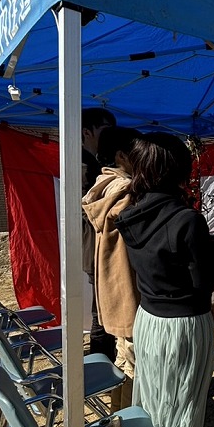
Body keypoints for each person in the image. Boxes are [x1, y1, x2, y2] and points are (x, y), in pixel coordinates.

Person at [115, 133, 214, 427]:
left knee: (156, 399)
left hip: (149, 319)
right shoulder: (186, 220)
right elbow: (204, 282)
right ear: (181, 171)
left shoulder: (130, 215)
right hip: (184, 325)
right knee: (183, 404)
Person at [82, 126, 142, 412]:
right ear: (122, 156)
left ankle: (120, 417)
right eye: (139, 153)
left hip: (114, 292)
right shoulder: (126, 192)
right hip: (129, 292)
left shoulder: (103, 186)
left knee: (124, 360)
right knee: (134, 367)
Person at [81, 107, 117, 360]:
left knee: (106, 309)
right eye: (105, 131)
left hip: (101, 248)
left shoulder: (96, 162)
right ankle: (102, 367)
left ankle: (105, 364)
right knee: (102, 312)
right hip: (97, 248)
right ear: (87, 132)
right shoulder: (86, 165)